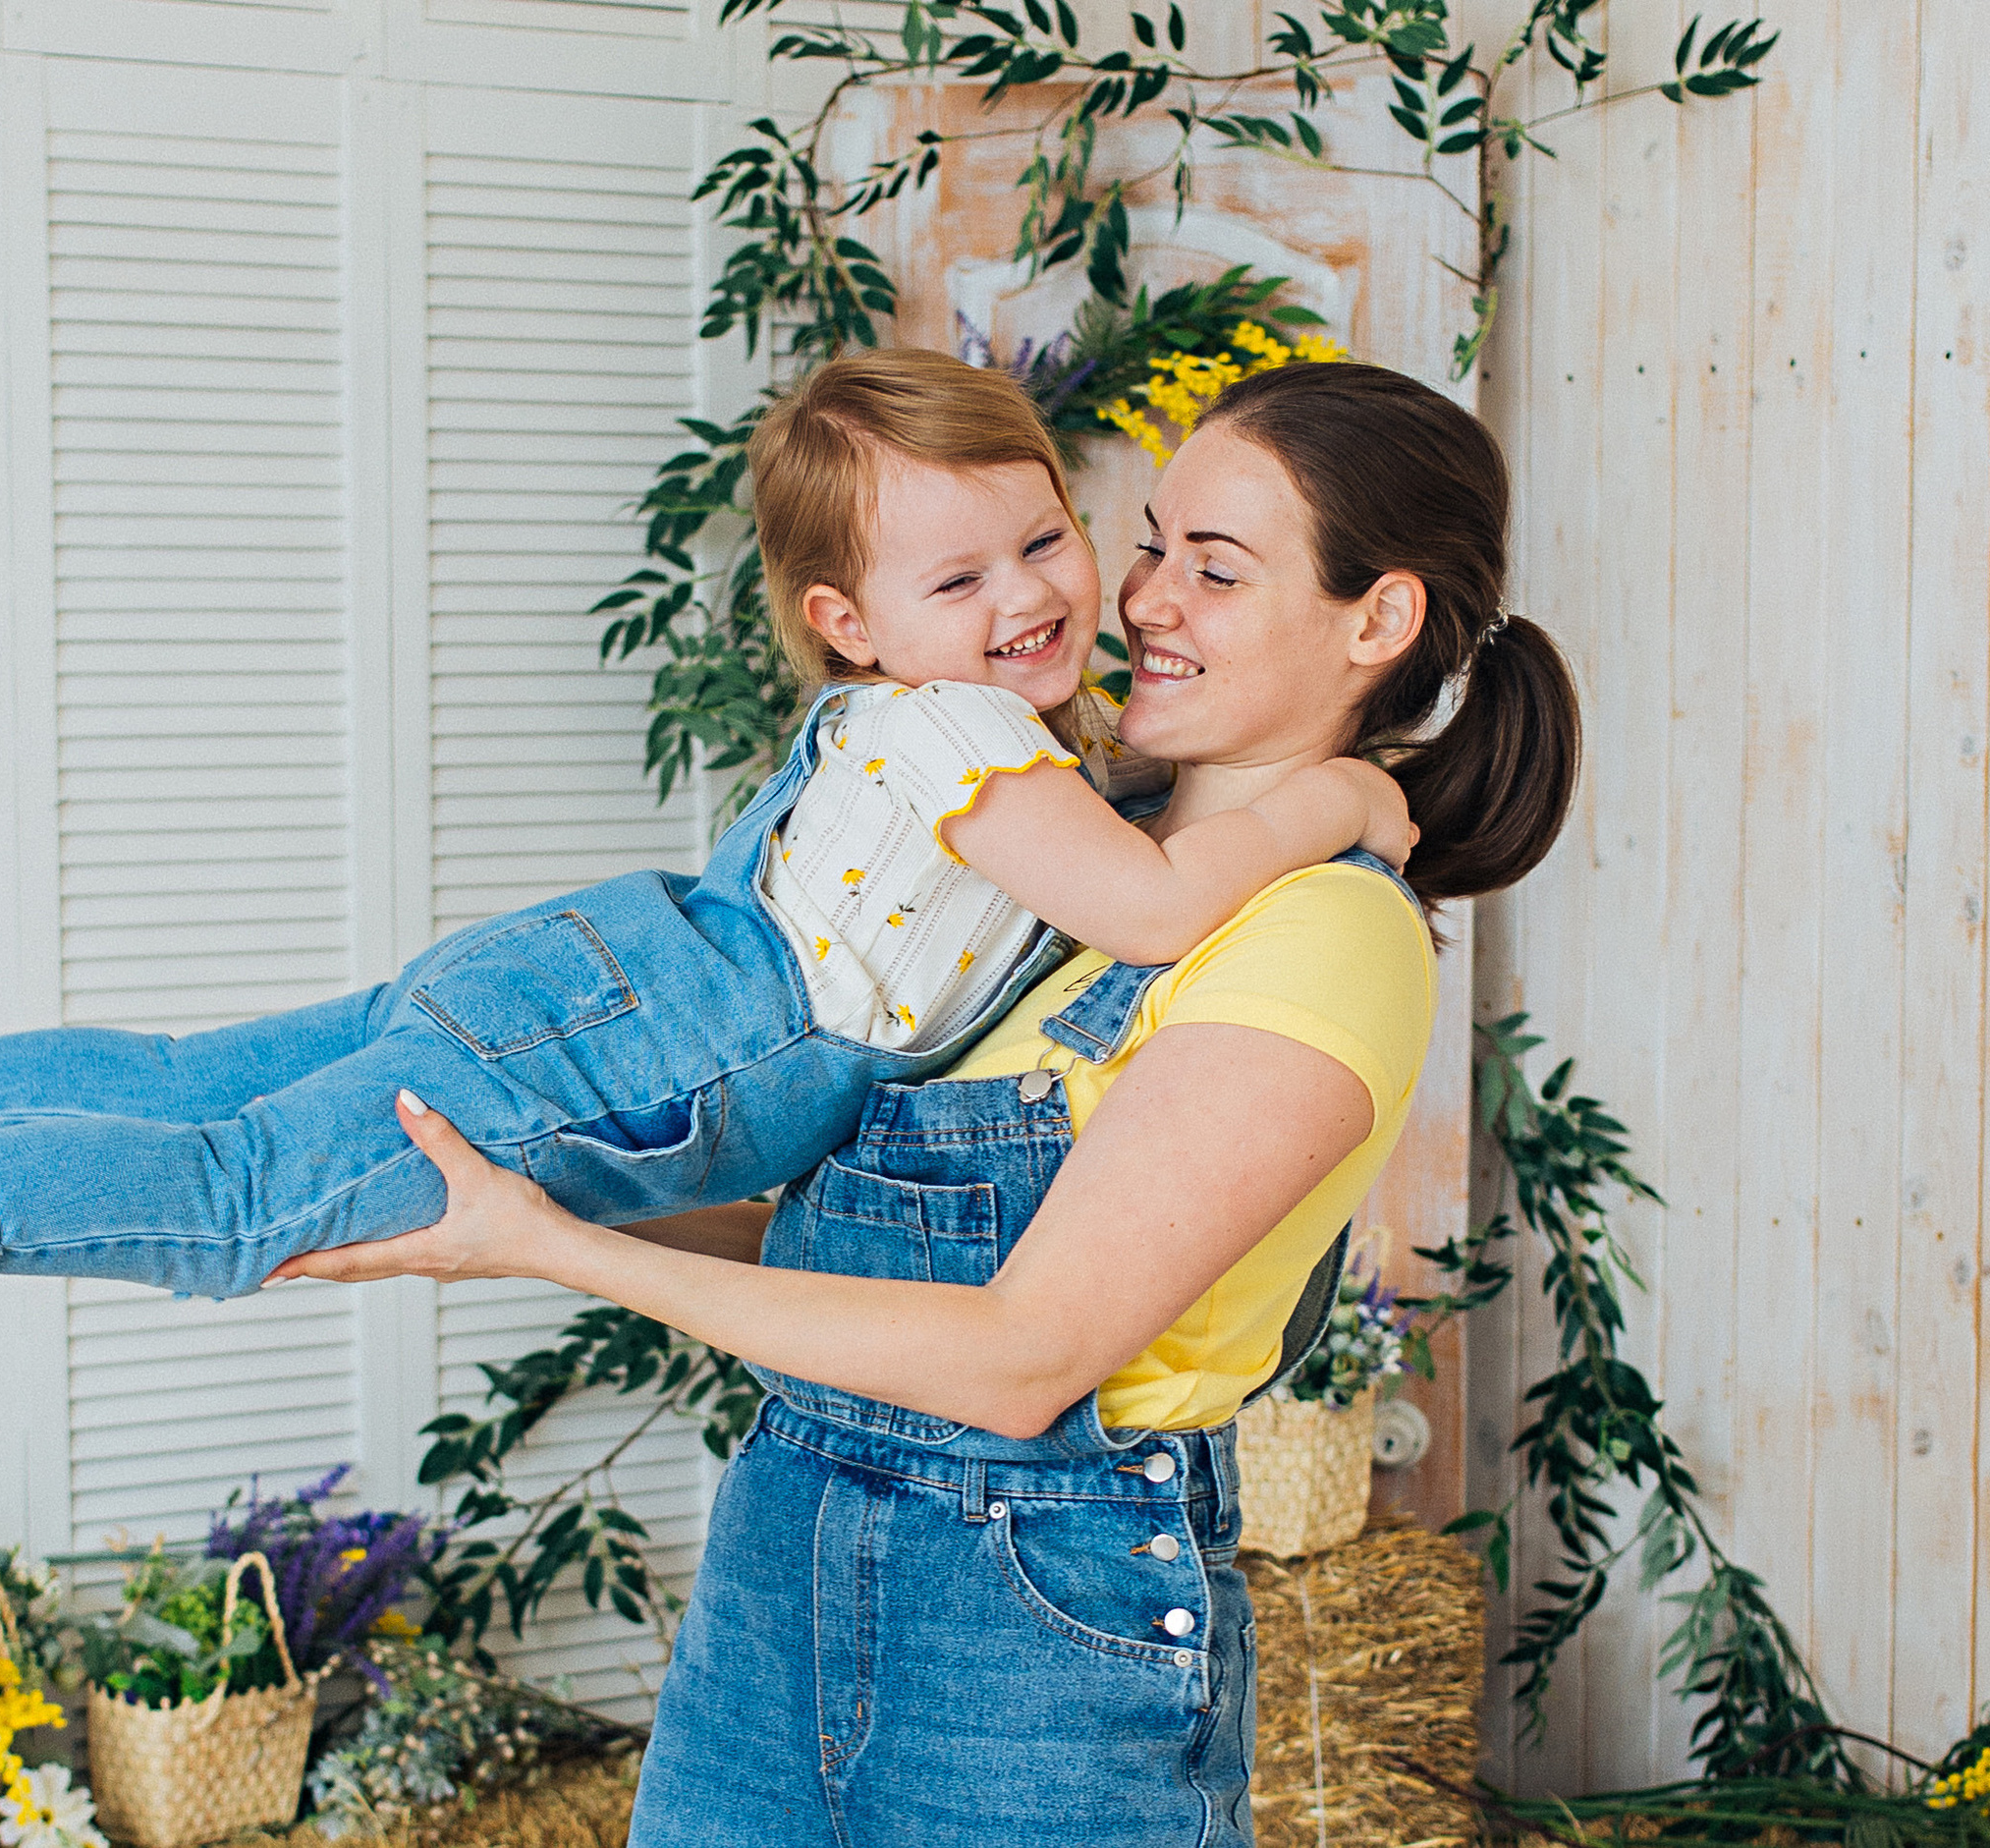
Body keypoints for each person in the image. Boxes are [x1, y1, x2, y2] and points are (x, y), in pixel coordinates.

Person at [265, 360, 1582, 1847]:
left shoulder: (1323, 937)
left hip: (1034, 1638)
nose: (1143, 600)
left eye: (1216, 570)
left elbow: (1023, 1356)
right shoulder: (1072, 859)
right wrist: (491, 1166)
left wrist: (551, 1251)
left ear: (1380, 618)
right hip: (786, 1558)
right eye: (1148, 541)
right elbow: (832, 1239)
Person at [0, 349, 1410, 1385]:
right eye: (962, 585)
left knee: (215, 1083)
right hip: (669, 1027)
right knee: (258, 1184)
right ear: (848, 625)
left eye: (1048, 538)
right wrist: (1343, 799)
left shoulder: (950, 729)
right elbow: (1166, 903)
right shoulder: (964, 740)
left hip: (610, 975)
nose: (1034, 596)